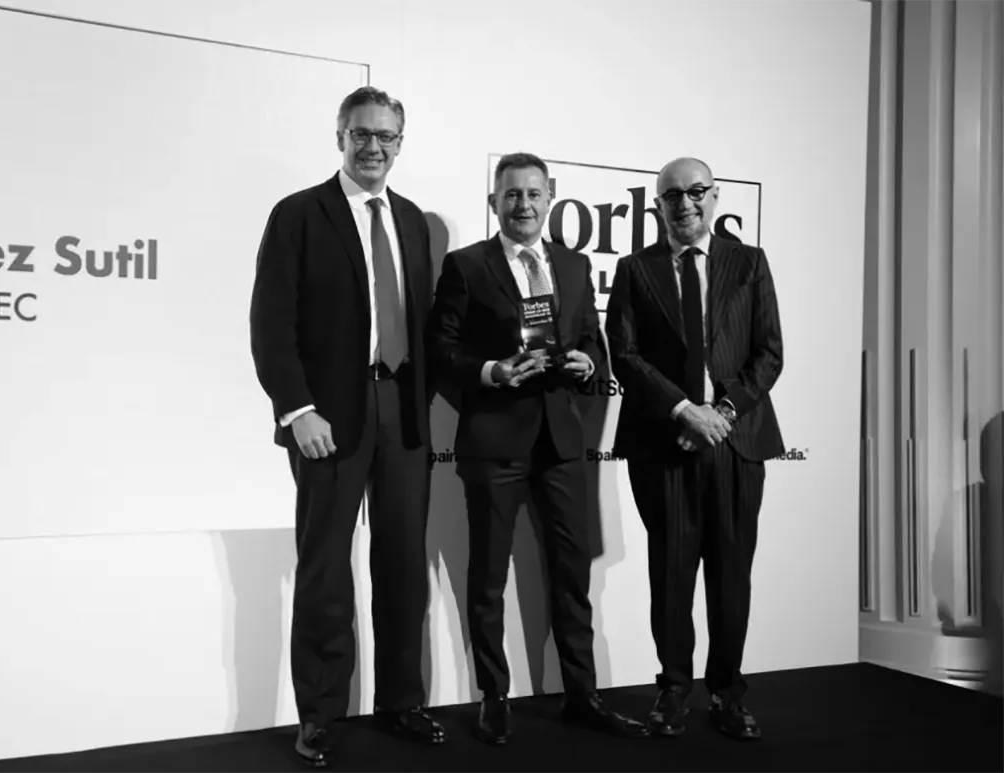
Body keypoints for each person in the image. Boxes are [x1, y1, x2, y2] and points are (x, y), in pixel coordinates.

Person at [426, 152, 650, 745]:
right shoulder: (466, 266)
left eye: (532, 194)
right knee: (488, 578)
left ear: (550, 197)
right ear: (494, 202)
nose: (522, 205)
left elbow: (593, 343)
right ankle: (494, 697)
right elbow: (440, 352)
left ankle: (582, 694)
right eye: (511, 194)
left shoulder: (574, 265)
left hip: (561, 443)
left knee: (572, 576)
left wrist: (587, 363)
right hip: (494, 441)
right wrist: (493, 371)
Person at [249, 86, 444, 768]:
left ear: (400, 143)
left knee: (403, 566)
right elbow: (271, 322)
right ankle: (321, 714)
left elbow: (423, 322)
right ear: (340, 137)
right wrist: (297, 409)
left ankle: (402, 701)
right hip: (328, 417)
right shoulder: (299, 214)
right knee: (326, 569)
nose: (373, 147)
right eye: (361, 133)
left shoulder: (413, 220)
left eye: (386, 136)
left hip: (403, 414)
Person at [604, 156, 784, 741]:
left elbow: (769, 353)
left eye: (696, 191)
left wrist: (720, 415)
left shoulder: (748, 263)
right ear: (658, 205)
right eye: (672, 195)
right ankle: (674, 689)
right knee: (671, 575)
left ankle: (728, 692)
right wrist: (685, 411)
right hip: (664, 445)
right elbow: (624, 354)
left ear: (714, 197)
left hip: (735, 443)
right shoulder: (635, 269)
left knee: (731, 576)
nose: (685, 203)